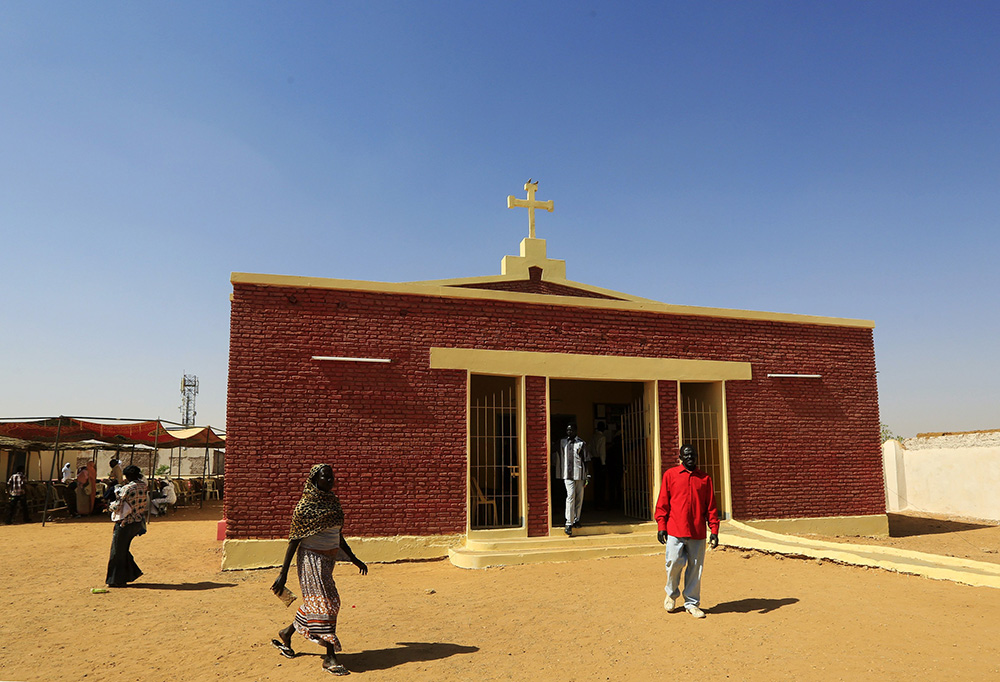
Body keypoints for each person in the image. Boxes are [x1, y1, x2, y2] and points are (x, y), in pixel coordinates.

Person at [270, 464, 368, 676]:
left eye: (332, 477)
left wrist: (354, 558)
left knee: (318, 603)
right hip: (310, 560)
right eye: (326, 477)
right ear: (315, 479)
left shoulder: (333, 503)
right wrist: (283, 574)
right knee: (328, 603)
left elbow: (338, 536)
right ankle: (330, 657)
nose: (330, 480)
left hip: (327, 561)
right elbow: (294, 541)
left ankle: (287, 633)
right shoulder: (304, 507)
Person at [655, 444, 720, 619]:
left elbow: (711, 507)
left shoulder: (705, 479)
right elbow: (663, 502)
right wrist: (661, 525)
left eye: (693, 454)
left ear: (697, 456)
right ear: (681, 457)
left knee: (695, 569)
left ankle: (691, 603)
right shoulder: (671, 475)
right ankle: (671, 593)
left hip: (697, 531)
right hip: (675, 529)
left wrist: (714, 529)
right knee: (673, 563)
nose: (690, 457)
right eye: (686, 454)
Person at [105, 465, 149, 587]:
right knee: (123, 549)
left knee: (117, 551)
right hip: (137, 522)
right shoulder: (143, 486)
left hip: (125, 523)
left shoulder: (127, 488)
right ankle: (132, 573)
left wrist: (109, 506)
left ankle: (116, 580)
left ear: (127, 476)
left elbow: (117, 506)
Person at [553, 423, 590, 536]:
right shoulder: (562, 442)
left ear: (576, 431)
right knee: (570, 496)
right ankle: (568, 523)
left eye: (571, 430)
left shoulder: (581, 443)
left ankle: (576, 519)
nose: (569, 432)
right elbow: (551, 448)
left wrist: (587, 475)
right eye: (567, 430)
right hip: (567, 475)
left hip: (579, 474)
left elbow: (586, 459)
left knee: (579, 498)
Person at [589, 421, 607, 508]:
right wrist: (603, 463)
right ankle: (601, 503)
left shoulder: (593, 437)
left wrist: (592, 457)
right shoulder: (602, 438)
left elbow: (589, 448)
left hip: (594, 460)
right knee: (601, 483)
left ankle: (596, 502)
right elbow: (602, 452)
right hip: (600, 461)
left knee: (596, 482)